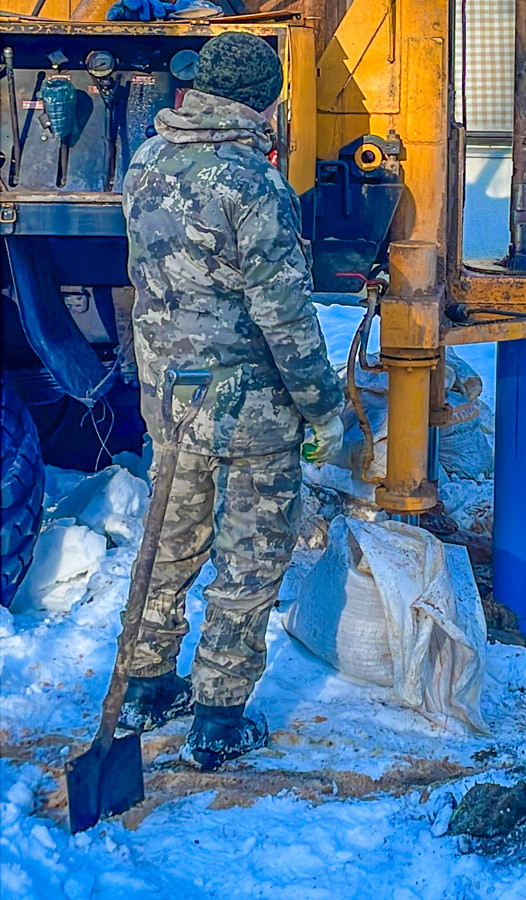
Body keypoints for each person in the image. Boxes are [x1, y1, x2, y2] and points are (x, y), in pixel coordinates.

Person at [120, 32, 344, 770]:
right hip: (246, 406)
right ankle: (218, 716)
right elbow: (284, 315)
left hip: (171, 394)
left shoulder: (147, 161)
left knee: (169, 542)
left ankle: (146, 684)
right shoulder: (251, 182)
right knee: (249, 558)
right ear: (268, 97)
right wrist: (322, 408)